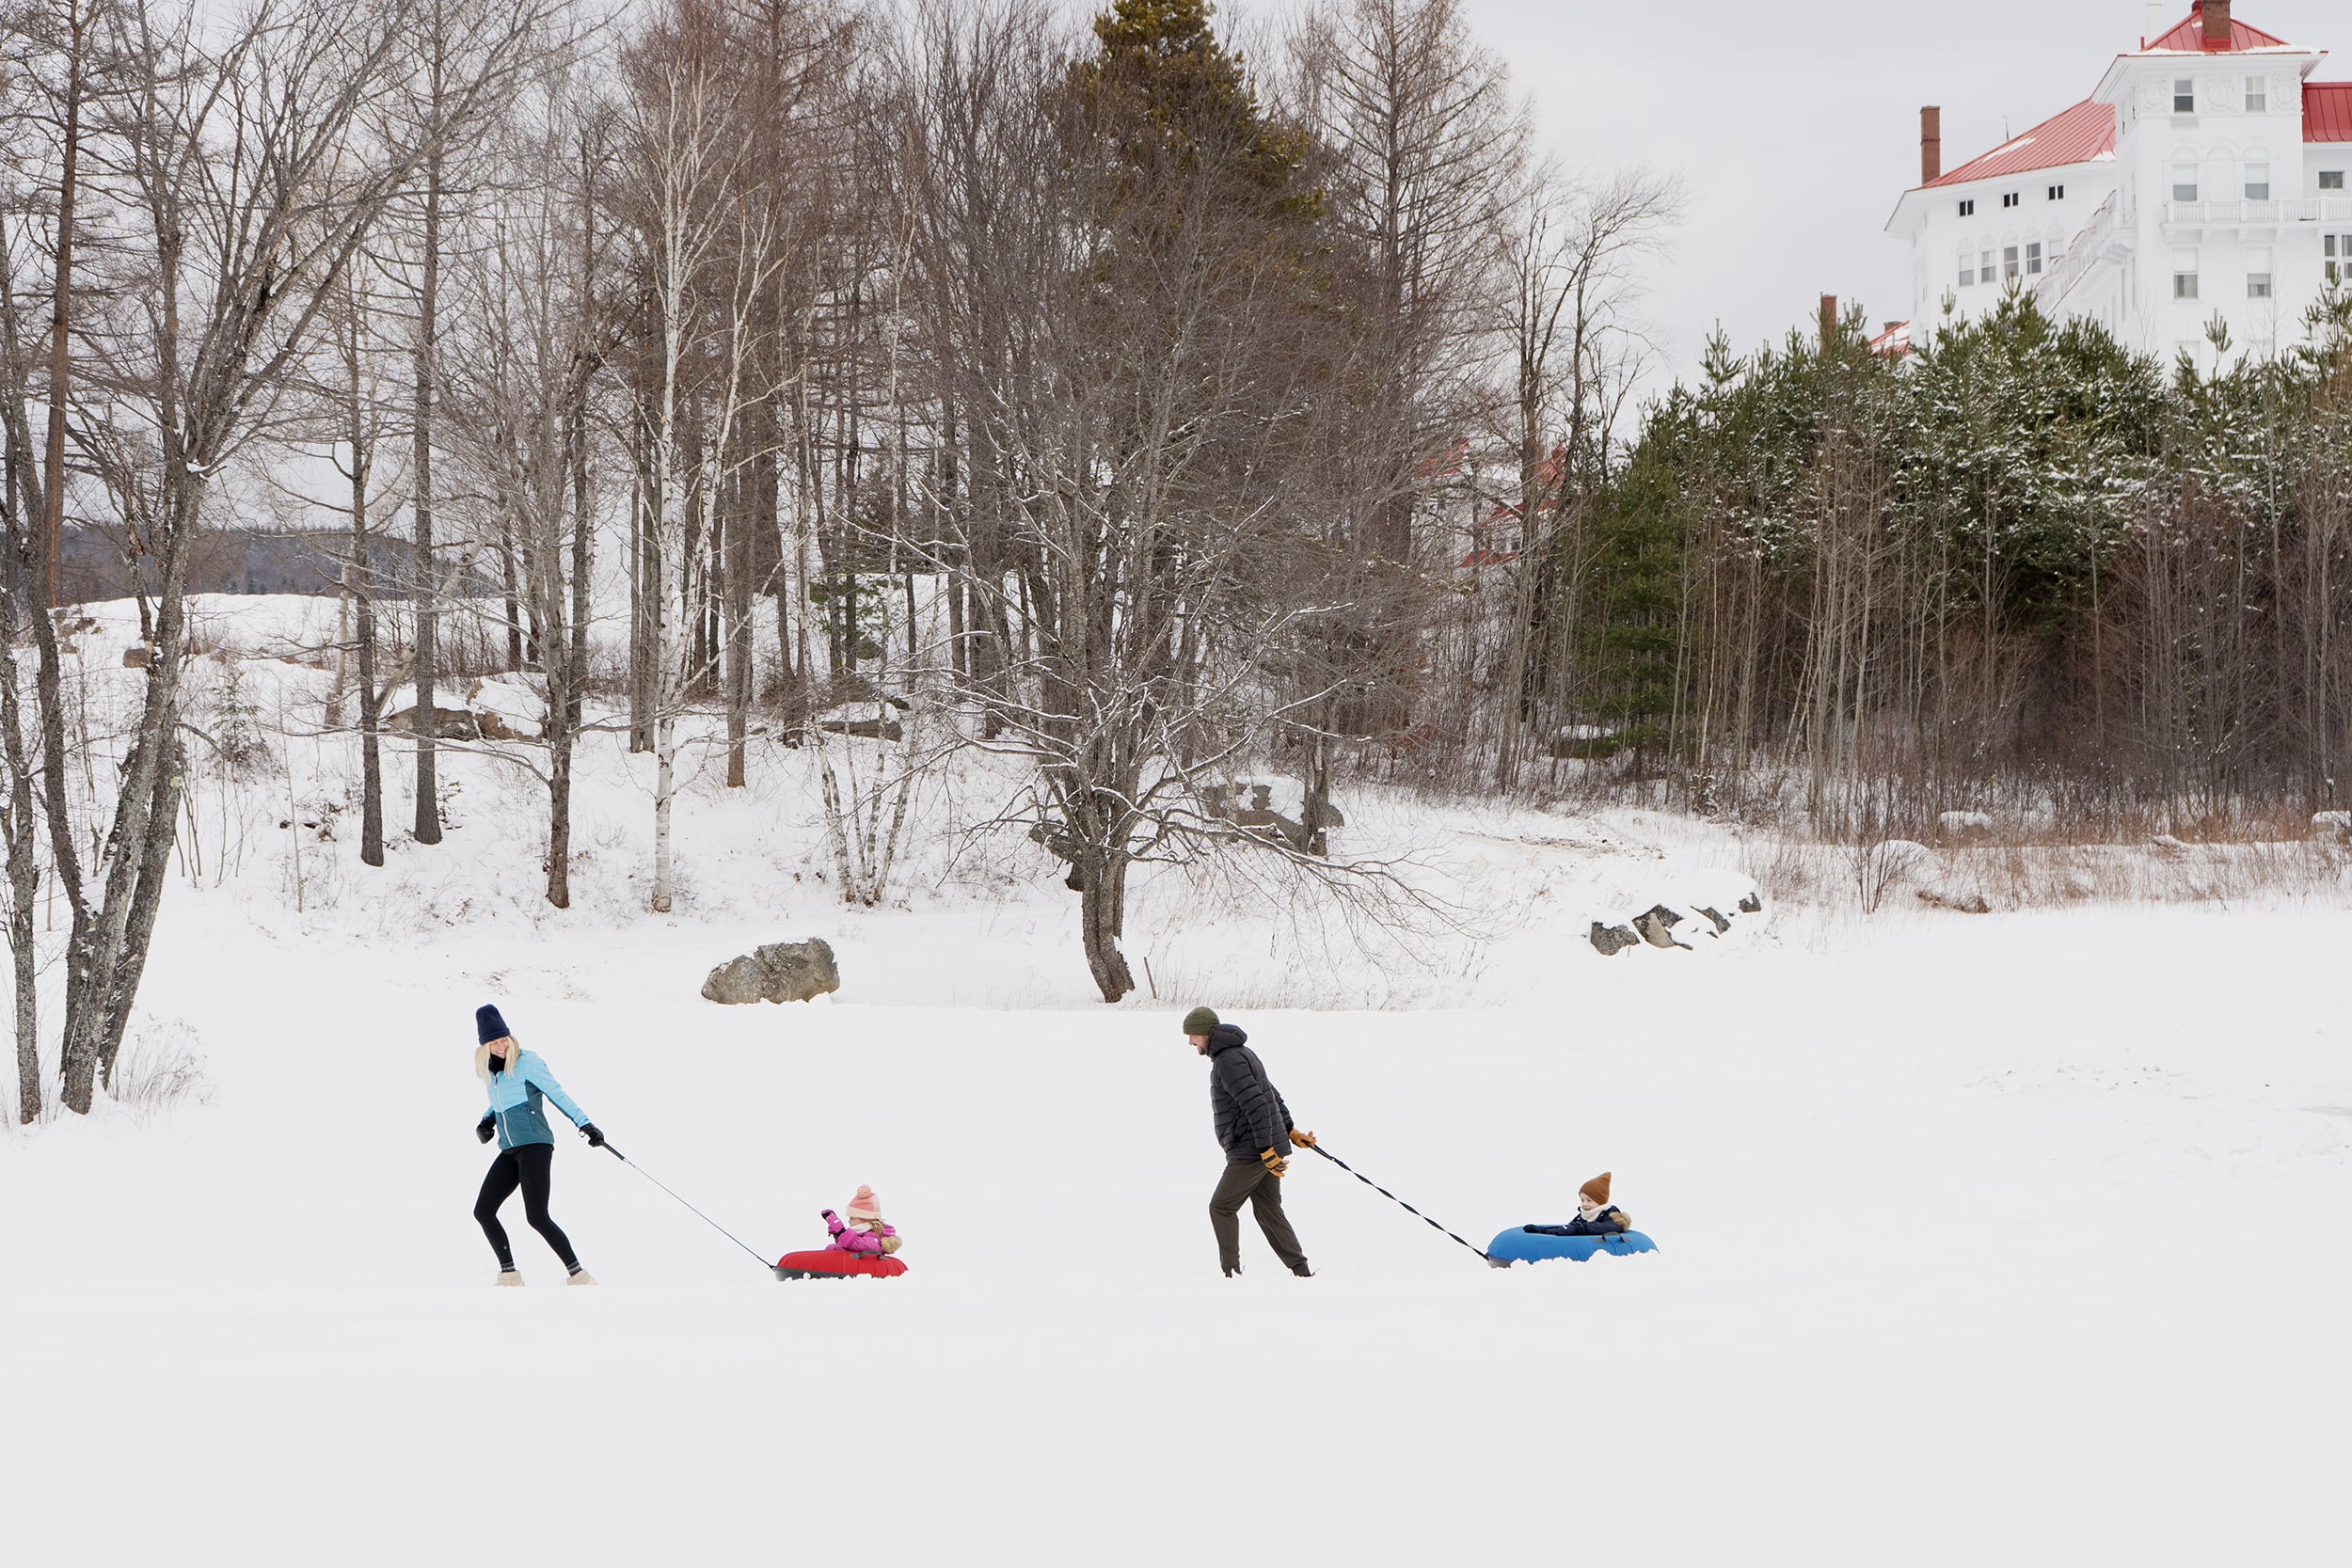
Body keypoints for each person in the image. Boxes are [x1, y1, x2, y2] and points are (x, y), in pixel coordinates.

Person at [471, 1004, 605, 1286]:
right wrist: (486, 1122)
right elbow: (498, 1103)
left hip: (535, 1146)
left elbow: (556, 1093)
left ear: (510, 1037)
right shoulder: (492, 1072)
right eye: (493, 1042)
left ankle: (579, 1275)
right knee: (483, 1211)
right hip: (509, 1150)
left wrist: (585, 1124)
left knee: (537, 1216)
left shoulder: (527, 1062)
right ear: (484, 1045)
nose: (500, 1046)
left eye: (503, 1039)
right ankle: (509, 1275)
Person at [1185, 1006, 1315, 1278]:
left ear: (1206, 1034)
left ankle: (1229, 1274)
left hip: (1251, 1149)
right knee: (1269, 1210)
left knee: (1221, 1207)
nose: (1190, 1042)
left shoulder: (1227, 1061)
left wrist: (1267, 1148)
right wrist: (1289, 1130)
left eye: (1193, 1036)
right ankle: (1301, 1271)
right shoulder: (1242, 1053)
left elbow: (1255, 1102)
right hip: (1261, 1144)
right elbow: (1270, 1093)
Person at [1526, 1172, 1631, 1239]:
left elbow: (1600, 1228)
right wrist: (1542, 1231)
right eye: (1582, 1200)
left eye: (1589, 1200)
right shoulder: (1584, 1216)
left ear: (1601, 1201)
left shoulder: (1614, 1218)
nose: (1584, 1204)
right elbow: (1569, 1228)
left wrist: (1577, 1228)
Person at [821, 1185, 902, 1256]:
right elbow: (847, 1244)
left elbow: (860, 1245)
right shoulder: (861, 1234)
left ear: (865, 1219)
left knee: (834, 1249)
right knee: (833, 1248)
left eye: (852, 1218)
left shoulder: (874, 1236)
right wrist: (837, 1234)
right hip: (852, 1264)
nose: (849, 1221)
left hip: (864, 1268)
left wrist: (841, 1231)